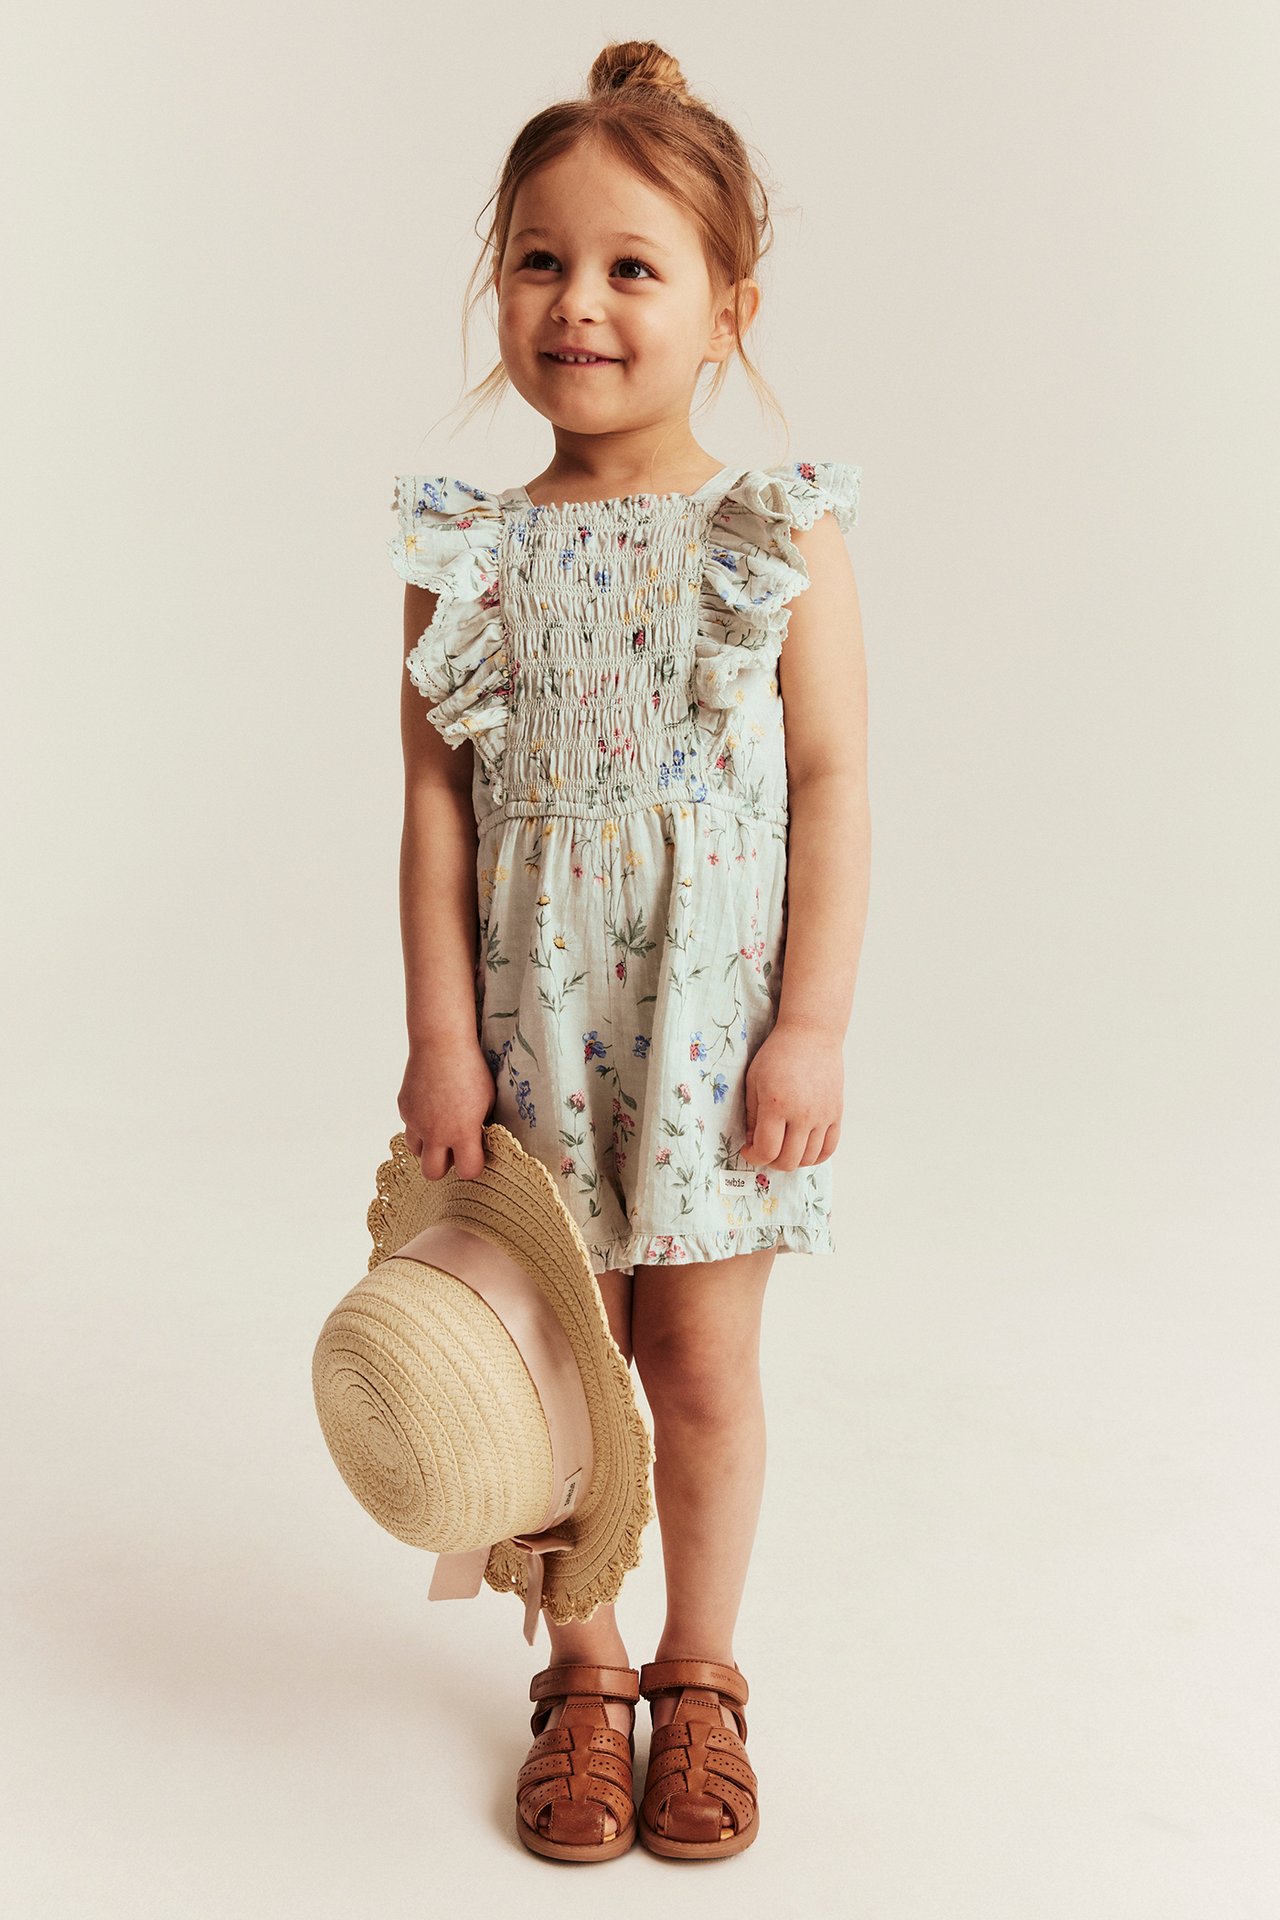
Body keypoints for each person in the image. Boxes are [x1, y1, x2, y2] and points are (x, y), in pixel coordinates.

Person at [389, 37, 870, 1862]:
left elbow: (834, 783)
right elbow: (434, 812)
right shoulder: (470, 548)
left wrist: (808, 1025)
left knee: (700, 1366)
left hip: (709, 1030)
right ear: (496, 283)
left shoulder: (776, 527)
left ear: (728, 308)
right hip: (529, 1030)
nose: (578, 304)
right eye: (539, 260)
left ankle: (702, 1674)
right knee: (559, 1367)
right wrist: (444, 1037)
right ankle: (578, 1671)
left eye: (631, 267)